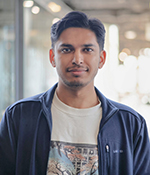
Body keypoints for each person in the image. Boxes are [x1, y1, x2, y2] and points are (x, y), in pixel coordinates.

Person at [0, 11, 150, 175]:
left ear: (101, 59)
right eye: (66, 49)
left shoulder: (130, 124)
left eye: (87, 49)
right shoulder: (20, 116)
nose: (77, 59)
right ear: (52, 57)